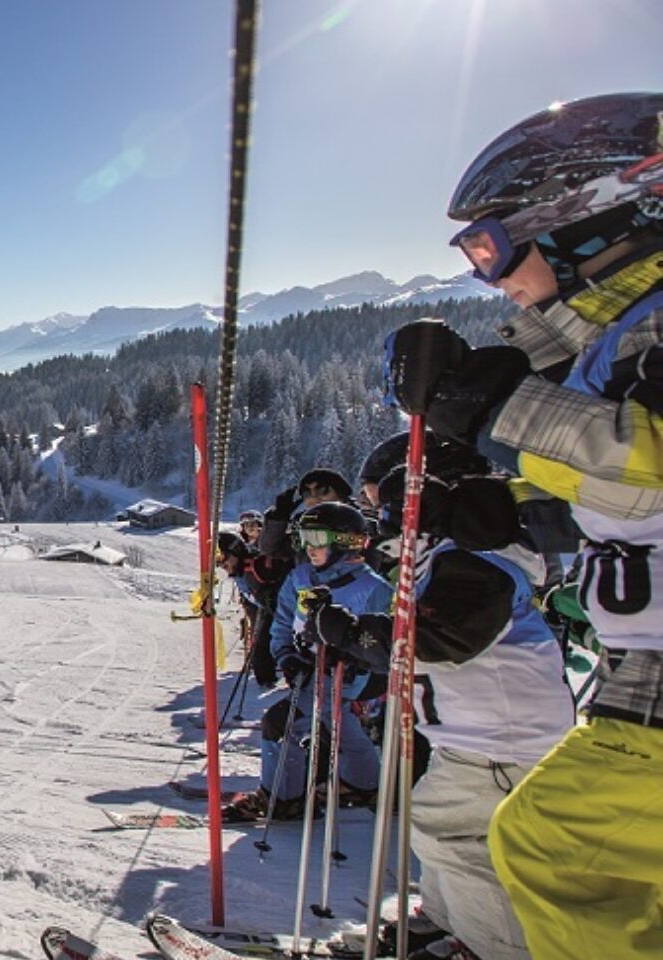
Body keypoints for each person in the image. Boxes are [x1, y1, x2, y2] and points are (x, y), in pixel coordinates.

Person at [385, 91, 663, 960]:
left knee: (554, 851)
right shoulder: (607, 342)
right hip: (638, 668)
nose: (487, 273)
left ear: (587, 215)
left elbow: (641, 466)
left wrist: (497, 409)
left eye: (490, 244)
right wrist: (512, 511)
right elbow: (612, 509)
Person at [313, 468, 573, 960]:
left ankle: (492, 945)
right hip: (480, 736)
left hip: (501, 740)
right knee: (439, 824)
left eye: (382, 510)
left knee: (459, 837)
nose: (380, 526)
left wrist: (360, 635)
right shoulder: (451, 562)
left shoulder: (475, 564)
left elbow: (441, 637)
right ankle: (447, 921)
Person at [223, 501, 393, 822]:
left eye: (316, 538)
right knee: (335, 725)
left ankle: (284, 798)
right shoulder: (302, 577)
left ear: (343, 542)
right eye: (304, 538)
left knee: (281, 722)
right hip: (309, 670)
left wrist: (354, 658)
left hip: (346, 676)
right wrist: (286, 656)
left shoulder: (373, 589)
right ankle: (364, 782)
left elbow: (385, 644)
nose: (308, 548)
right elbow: (283, 622)